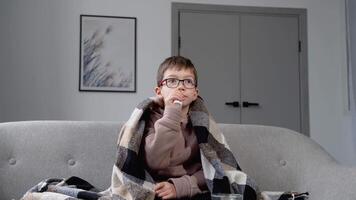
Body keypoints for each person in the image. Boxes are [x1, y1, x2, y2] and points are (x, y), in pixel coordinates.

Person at [143, 56, 206, 199]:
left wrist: (179, 187)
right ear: (159, 91)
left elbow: (213, 170)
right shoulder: (150, 119)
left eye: (188, 81)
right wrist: (172, 112)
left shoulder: (202, 125)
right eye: (172, 81)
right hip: (157, 187)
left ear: (195, 93)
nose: (181, 86)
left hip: (191, 187)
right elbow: (155, 161)